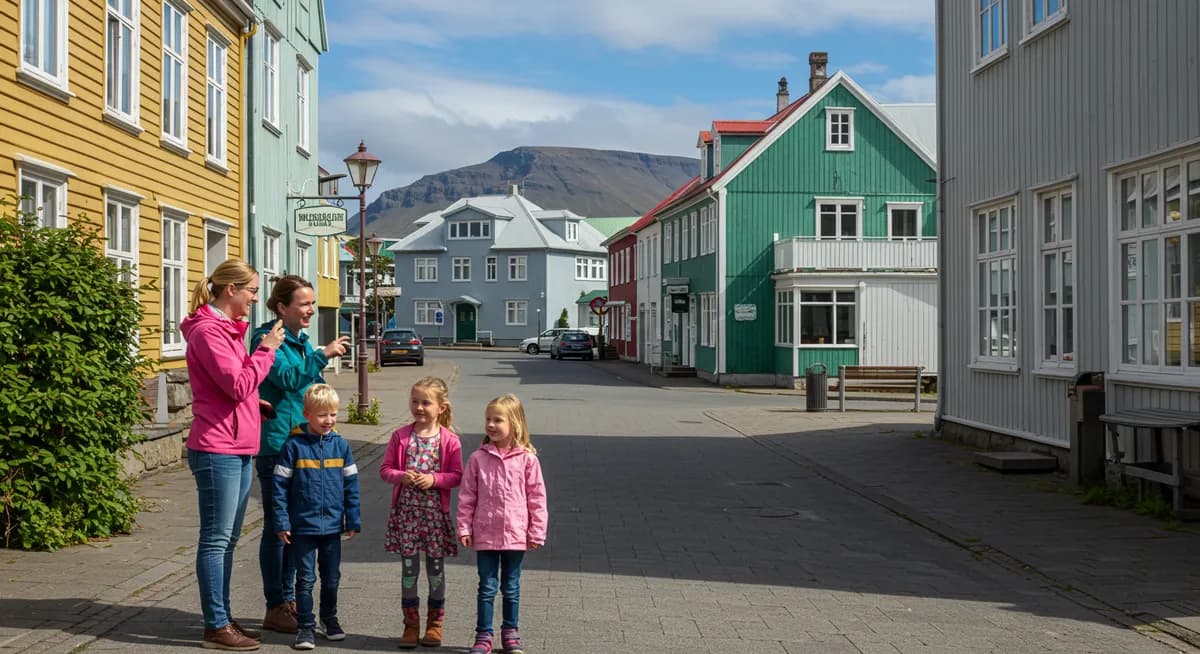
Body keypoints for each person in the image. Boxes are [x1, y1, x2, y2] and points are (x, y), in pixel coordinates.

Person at [181, 259, 285, 651]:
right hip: (216, 448)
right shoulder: (209, 331)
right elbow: (237, 384)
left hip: (237, 443)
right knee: (216, 539)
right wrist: (266, 350)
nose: (256, 299)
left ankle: (222, 617)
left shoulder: (226, 329)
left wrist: (254, 404)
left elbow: (234, 389)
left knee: (227, 540)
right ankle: (215, 625)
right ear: (231, 290)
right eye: (252, 291)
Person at [251, 275, 350, 634]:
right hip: (278, 444)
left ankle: (289, 599)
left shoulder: (301, 340)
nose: (311, 310)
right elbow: (289, 379)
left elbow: (308, 387)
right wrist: (322, 355)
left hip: (304, 443)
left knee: (297, 525)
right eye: (304, 304)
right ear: (282, 307)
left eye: (312, 303)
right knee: (277, 527)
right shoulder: (267, 338)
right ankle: (275, 603)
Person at [272, 384, 361, 651]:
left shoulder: (341, 446)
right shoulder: (294, 446)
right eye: (322, 415)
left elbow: (351, 486)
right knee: (305, 579)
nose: (328, 420)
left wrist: (352, 519)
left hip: (332, 527)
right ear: (307, 414)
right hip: (303, 527)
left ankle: (329, 619)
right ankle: (305, 626)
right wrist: (282, 522)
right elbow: (279, 488)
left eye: (332, 414)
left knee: (331, 578)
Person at [457, 394, 548, 654]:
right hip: (485, 532)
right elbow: (467, 495)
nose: (491, 425)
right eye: (488, 419)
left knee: (511, 586)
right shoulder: (478, 458)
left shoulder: (527, 459)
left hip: (515, 533)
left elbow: (537, 498)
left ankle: (510, 633)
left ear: (515, 424)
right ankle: (484, 635)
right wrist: (464, 527)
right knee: (486, 587)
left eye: (498, 420)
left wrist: (537, 531)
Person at [379, 377, 464, 649]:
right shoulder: (400, 436)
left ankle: (435, 624)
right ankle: (410, 624)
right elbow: (385, 470)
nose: (419, 407)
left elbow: (457, 476)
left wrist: (434, 480)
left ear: (441, 407)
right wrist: (401, 476)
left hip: (435, 519)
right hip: (407, 517)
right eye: (415, 401)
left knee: (436, 571)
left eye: (426, 402)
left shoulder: (450, 440)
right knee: (409, 571)